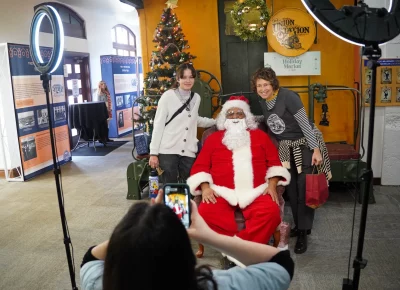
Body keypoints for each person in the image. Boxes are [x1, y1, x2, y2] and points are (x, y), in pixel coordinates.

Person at [80, 190, 294, 290]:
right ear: (184, 256)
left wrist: (138, 227)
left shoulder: (98, 284)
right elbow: (281, 263)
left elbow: (90, 258)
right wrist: (208, 236)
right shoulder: (221, 284)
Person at [186, 96, 291, 263]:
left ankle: (236, 250)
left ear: (246, 117)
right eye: (231, 113)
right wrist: (205, 187)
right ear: (224, 118)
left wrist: (272, 185)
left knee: (271, 213)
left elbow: (275, 164)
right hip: (221, 191)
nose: (235, 117)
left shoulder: (260, 136)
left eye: (239, 113)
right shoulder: (213, 139)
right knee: (205, 213)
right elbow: (200, 167)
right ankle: (246, 250)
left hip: (256, 190)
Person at [251, 67, 332, 254]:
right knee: (292, 190)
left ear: (273, 84)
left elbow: (304, 123)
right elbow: (270, 119)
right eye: (259, 86)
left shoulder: (289, 96)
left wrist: (316, 149)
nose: (263, 89)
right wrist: (248, 118)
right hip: (286, 149)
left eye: (266, 84)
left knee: (304, 189)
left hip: (304, 145)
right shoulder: (263, 100)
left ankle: (303, 232)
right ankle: (300, 226)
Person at [148, 63, 215, 183]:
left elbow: (195, 119)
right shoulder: (167, 96)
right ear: (178, 79)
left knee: (189, 186)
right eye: (184, 77)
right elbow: (158, 124)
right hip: (168, 150)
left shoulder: (196, 98)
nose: (188, 80)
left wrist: (216, 122)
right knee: (170, 188)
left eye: (191, 77)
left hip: (188, 150)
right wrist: (153, 153)